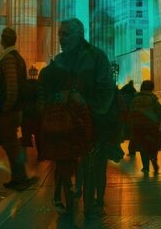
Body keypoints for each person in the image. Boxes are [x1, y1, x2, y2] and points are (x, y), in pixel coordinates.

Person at [53, 18, 117, 217]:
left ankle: (92, 204)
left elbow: (107, 89)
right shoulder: (59, 60)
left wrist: (91, 109)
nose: (61, 39)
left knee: (94, 165)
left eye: (66, 34)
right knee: (65, 163)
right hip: (66, 122)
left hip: (93, 121)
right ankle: (70, 203)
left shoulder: (96, 56)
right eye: (60, 35)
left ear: (79, 35)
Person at [38, 61, 92, 214]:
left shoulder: (50, 99)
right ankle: (67, 200)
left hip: (55, 139)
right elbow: (85, 117)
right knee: (67, 167)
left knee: (61, 167)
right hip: (72, 139)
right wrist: (87, 138)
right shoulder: (74, 96)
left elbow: (42, 118)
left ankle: (58, 197)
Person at [0, 27, 35, 190]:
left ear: (3, 41)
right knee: (12, 144)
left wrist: (5, 107)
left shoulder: (8, 58)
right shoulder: (19, 58)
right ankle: (19, 176)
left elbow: (11, 87)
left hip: (10, 110)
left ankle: (20, 177)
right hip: (17, 109)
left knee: (11, 144)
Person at [129, 80, 161, 173]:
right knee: (153, 144)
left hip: (138, 126)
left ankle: (145, 167)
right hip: (151, 126)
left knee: (142, 146)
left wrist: (130, 125)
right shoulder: (153, 99)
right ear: (152, 88)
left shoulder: (135, 99)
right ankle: (153, 159)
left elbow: (131, 112)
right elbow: (159, 112)